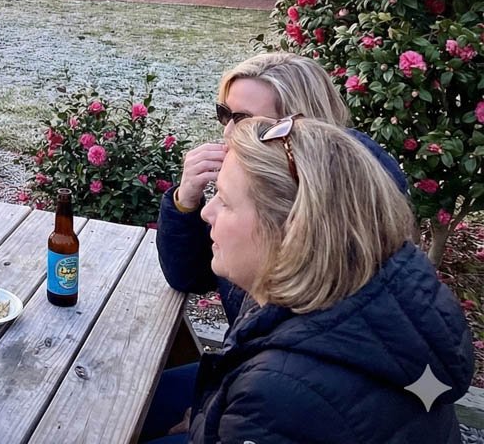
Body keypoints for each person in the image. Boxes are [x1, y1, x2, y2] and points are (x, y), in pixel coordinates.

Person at [142, 53, 409, 442]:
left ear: (302, 126)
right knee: (124, 394)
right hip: (254, 374)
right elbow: (188, 275)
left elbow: (295, 384)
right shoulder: (270, 186)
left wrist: (207, 416)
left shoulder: (341, 220)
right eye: (224, 114)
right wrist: (186, 202)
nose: (229, 134)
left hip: (291, 403)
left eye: (246, 120)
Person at [177, 117, 472, 442]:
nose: (207, 212)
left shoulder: (276, 398)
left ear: (292, 231)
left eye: (225, 201)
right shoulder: (374, 285)